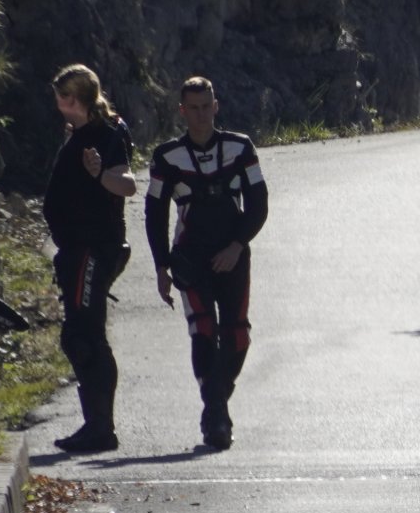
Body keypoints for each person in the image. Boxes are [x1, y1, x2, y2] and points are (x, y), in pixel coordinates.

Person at [146, 75, 270, 452]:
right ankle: (217, 417)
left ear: (216, 107)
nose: (201, 115)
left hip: (233, 256)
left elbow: (259, 205)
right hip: (190, 258)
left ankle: (215, 405)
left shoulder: (241, 147)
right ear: (182, 111)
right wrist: (162, 266)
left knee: (237, 335)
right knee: (202, 330)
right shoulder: (166, 156)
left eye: (206, 107)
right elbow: (154, 214)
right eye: (193, 108)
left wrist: (236, 246)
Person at [43, 64, 138, 455]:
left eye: (62, 98)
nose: (58, 105)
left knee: (85, 336)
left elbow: (127, 184)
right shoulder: (82, 132)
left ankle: (101, 429)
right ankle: (95, 425)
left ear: (74, 99)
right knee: (79, 334)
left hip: (93, 247)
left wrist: (100, 174)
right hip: (77, 248)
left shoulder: (106, 133)